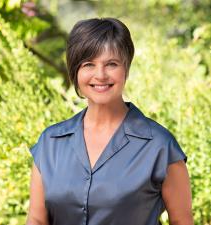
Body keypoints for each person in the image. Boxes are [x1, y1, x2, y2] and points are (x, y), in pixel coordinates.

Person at [26, 18, 194, 225]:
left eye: (111, 64)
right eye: (88, 64)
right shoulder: (50, 143)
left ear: (126, 68)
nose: (100, 75)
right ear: (75, 71)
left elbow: (182, 221)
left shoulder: (160, 146)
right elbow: (36, 220)